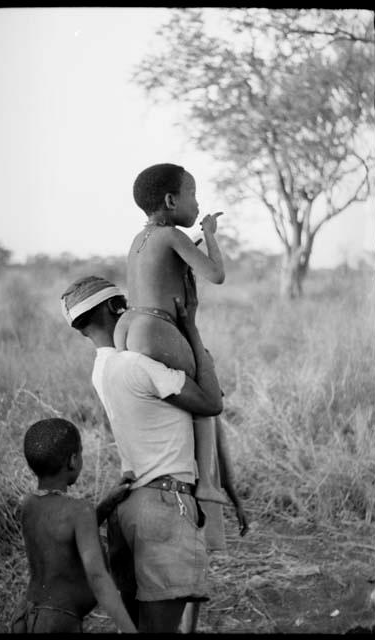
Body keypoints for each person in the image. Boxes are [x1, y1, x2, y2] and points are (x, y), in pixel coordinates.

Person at [61, 272, 223, 633]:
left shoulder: (101, 369)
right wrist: (191, 331)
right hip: (165, 508)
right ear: (111, 308)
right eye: (122, 305)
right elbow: (212, 403)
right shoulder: (136, 365)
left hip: (128, 509)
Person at [114, 163, 226, 505]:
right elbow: (216, 274)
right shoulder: (172, 235)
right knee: (207, 387)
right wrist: (209, 234)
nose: (197, 203)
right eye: (192, 194)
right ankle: (205, 483)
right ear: (170, 200)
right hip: (155, 326)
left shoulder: (141, 237)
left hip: (128, 325)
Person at [10, 418, 137, 634]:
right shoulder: (80, 510)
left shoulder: (28, 504)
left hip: (25, 615)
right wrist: (128, 629)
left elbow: (62, 536)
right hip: (57, 622)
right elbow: (98, 577)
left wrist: (105, 506)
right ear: (73, 460)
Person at [179, 414, 249, 633]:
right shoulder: (193, 401)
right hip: (178, 495)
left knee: (192, 574)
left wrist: (237, 501)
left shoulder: (207, 407)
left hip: (194, 497)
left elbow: (221, 456)